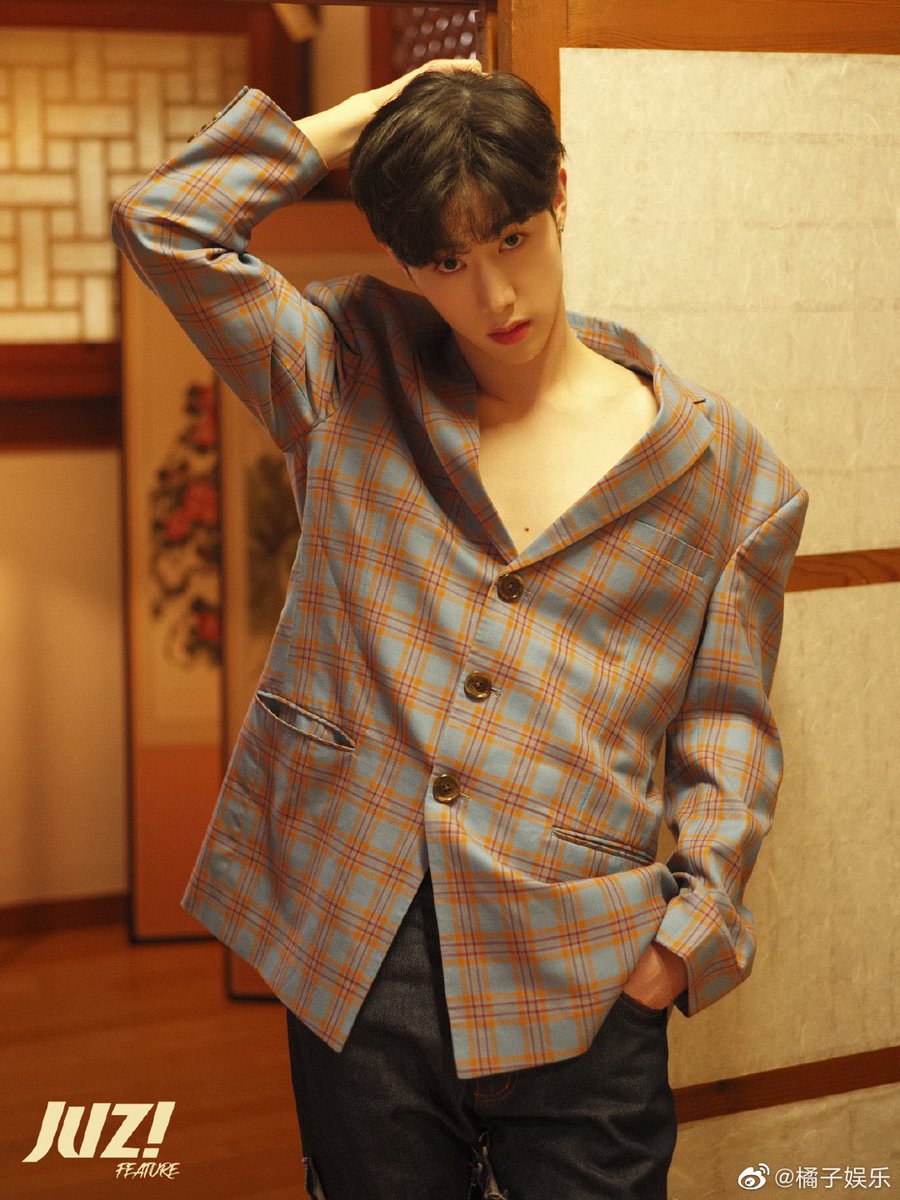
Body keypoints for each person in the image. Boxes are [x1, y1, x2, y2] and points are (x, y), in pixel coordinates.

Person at [111, 58, 807, 1200]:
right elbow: (165, 222)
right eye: (447, 261)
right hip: (359, 947)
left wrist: (681, 943)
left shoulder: (724, 474)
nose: (495, 296)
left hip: (584, 964)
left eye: (514, 238)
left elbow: (727, 726)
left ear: (561, 193)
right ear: (403, 261)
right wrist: (361, 119)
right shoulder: (346, 371)